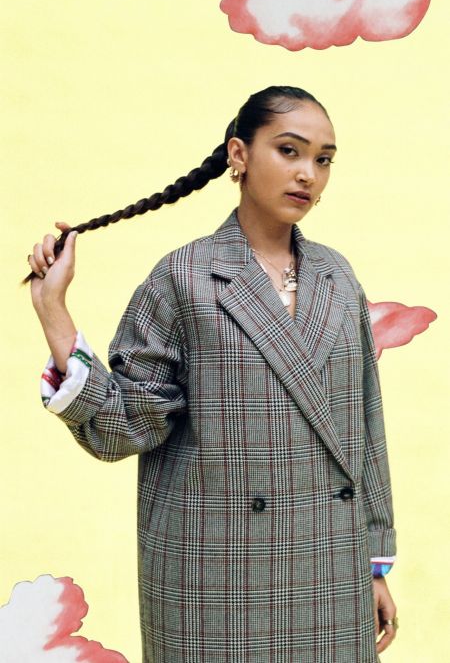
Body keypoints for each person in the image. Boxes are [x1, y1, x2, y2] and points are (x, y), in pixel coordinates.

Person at [27, 86, 398, 662]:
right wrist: (54, 311)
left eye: (323, 159)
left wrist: (374, 565)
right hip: (215, 576)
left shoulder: (337, 277)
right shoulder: (184, 277)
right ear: (239, 155)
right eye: (289, 151)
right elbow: (122, 427)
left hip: (330, 570)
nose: (308, 174)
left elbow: (364, 427)